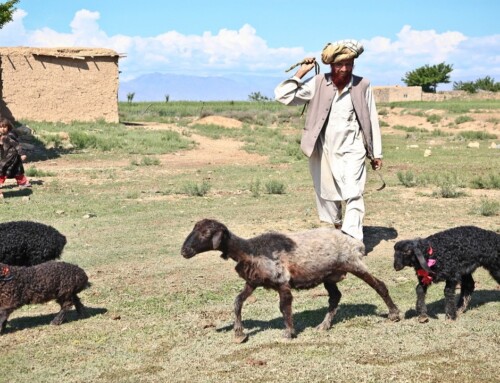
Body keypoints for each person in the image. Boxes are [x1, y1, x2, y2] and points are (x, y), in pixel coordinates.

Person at [274, 39, 382, 241]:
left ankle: (351, 240)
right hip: (324, 149)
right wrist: (301, 73)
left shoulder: (362, 84)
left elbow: (372, 118)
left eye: (348, 64)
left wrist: (376, 153)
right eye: (339, 65)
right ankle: (338, 224)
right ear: (331, 65)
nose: (344, 69)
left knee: (354, 192)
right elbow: (283, 96)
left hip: (353, 148)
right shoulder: (318, 83)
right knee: (328, 194)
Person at [0, 117, 31, 188]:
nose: (2, 129)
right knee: (17, 170)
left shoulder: (9, 136)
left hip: (13, 156)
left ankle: (22, 182)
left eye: (4, 127)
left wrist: (22, 154)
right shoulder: (2, 137)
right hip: (7, 157)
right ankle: (23, 182)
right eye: (0, 127)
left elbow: (17, 145)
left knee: (2, 168)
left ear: (8, 127)